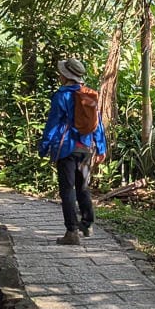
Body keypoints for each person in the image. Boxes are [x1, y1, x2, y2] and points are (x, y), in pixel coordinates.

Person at [38, 57, 107, 245]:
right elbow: (98, 124)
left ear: (65, 76)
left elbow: (53, 124)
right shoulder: (89, 95)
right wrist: (101, 148)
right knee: (82, 187)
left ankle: (72, 232)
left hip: (66, 148)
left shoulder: (62, 96)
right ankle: (87, 224)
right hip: (86, 148)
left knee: (67, 190)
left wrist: (44, 146)